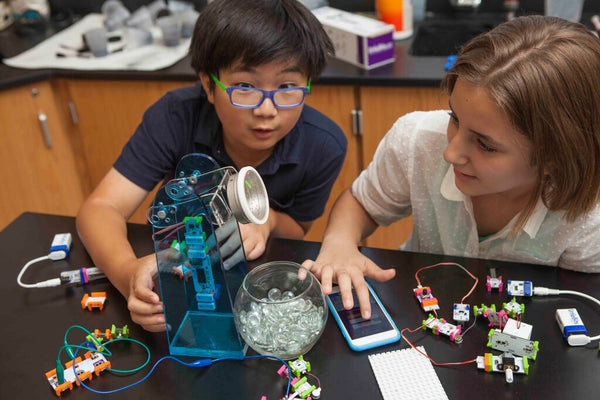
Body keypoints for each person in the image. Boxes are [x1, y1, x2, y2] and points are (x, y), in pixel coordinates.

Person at [301, 15, 600, 318]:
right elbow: (362, 204)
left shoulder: (590, 217)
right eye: (454, 117)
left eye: (485, 145)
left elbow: (583, 298)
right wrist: (339, 243)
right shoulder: (417, 140)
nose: (450, 152)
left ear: (555, 160)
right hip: (421, 310)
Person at [76, 0, 347, 332]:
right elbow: (101, 207)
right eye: (245, 87)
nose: (266, 110)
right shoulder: (174, 117)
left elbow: (297, 229)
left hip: (256, 297)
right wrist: (127, 272)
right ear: (208, 85)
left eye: (287, 87)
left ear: (308, 85)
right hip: (180, 274)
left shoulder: (323, 145)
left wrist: (268, 221)